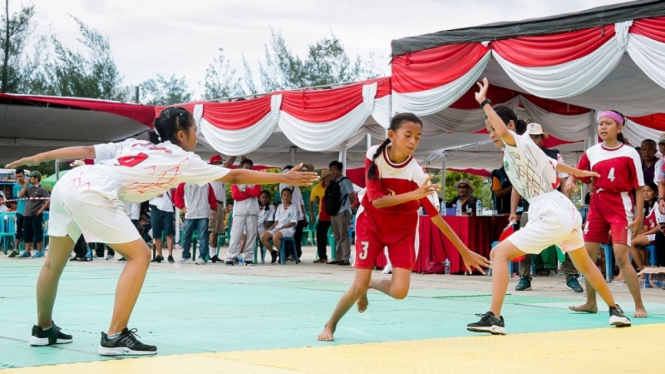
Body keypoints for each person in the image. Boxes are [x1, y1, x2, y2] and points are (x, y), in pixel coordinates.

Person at [6, 106, 318, 356]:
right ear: (181, 134)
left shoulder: (137, 143)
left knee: (52, 263)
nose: (197, 135)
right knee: (140, 256)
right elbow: (234, 175)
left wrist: (41, 158)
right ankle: (115, 336)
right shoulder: (183, 159)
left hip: (69, 184)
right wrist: (284, 178)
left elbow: (88, 149)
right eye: (195, 130)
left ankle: (43, 329)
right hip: (94, 189)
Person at [466, 78, 631, 335]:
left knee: (499, 254)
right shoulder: (526, 148)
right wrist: (582, 172)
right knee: (585, 265)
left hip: (549, 210)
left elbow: (507, 134)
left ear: (508, 125)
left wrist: (485, 103)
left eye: (492, 128)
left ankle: (494, 317)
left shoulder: (517, 142)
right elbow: (556, 165)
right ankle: (615, 310)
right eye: (487, 130)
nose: (491, 133)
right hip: (564, 210)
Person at [318, 113, 490, 341]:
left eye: (417, 137)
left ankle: (370, 283)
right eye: (407, 135)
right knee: (356, 286)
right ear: (391, 135)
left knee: (399, 292)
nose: (413, 142)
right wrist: (413, 194)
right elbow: (376, 199)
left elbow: (437, 218)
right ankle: (330, 325)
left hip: (404, 229)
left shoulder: (418, 174)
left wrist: (464, 251)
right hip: (372, 223)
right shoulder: (375, 156)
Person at [566, 109, 647, 319]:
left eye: (608, 123)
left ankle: (639, 305)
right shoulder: (592, 152)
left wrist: (639, 217)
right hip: (597, 205)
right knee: (587, 256)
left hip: (620, 205)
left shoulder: (630, 153)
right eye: (601, 123)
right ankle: (590, 302)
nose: (603, 127)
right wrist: (571, 181)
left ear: (619, 127)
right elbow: (578, 172)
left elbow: (639, 187)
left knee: (621, 256)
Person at [513, 122, 583, 293]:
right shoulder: (519, 156)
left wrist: (566, 203)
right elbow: (516, 186)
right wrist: (512, 211)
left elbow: (564, 180)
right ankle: (524, 277)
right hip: (531, 205)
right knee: (524, 241)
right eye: (531, 137)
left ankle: (571, 276)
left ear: (542, 139)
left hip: (554, 203)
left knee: (567, 240)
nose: (534, 140)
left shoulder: (554, 155)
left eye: (537, 136)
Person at [621, 181, 659, 280]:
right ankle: (643, 271)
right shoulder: (647, 208)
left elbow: (659, 227)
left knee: (631, 243)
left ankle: (643, 271)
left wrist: (643, 235)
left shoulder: (658, 205)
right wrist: (636, 234)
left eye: (649, 191)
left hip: (658, 234)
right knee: (631, 240)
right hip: (650, 234)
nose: (645, 193)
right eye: (643, 191)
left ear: (655, 192)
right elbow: (646, 228)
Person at [225, 158, 260, 266]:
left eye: (250, 168)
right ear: (242, 168)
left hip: (252, 212)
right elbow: (236, 195)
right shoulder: (236, 179)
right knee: (236, 235)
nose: (248, 169)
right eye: (246, 168)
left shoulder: (256, 179)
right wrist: (250, 193)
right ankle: (231, 257)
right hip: (239, 212)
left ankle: (248, 258)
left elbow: (257, 192)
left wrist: (244, 190)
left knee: (251, 235)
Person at [174, 181, 216, 265]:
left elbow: (211, 196)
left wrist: (214, 207)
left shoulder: (206, 183)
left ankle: (202, 257)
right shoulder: (184, 183)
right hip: (190, 214)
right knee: (186, 236)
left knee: (204, 236)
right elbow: (177, 196)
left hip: (203, 213)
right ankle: (186, 256)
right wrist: (182, 207)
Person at [208, 154, 236, 262]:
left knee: (217, 230)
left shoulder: (220, 175)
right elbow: (229, 163)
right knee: (213, 230)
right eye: (219, 162)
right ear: (215, 164)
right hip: (214, 204)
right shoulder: (214, 170)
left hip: (219, 204)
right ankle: (211, 254)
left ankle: (213, 254)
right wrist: (236, 151)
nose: (221, 164)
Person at [326, 161, 356, 265]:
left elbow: (352, 196)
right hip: (334, 212)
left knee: (344, 235)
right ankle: (338, 258)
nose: (332, 172)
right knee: (337, 236)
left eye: (334, 169)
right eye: (331, 170)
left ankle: (345, 258)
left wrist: (348, 206)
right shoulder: (333, 182)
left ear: (340, 170)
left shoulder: (345, 181)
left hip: (343, 211)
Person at [260, 188, 298, 263]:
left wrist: (282, 227)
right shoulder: (280, 207)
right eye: (284, 195)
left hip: (288, 228)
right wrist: (270, 228)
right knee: (262, 236)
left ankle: (282, 254)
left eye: (288, 195)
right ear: (282, 196)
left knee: (275, 236)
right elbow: (277, 221)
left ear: (291, 197)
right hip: (278, 227)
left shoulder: (293, 207)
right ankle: (273, 252)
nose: (286, 197)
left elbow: (293, 222)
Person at [18, 171, 50, 258]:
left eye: (31, 177)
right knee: (26, 233)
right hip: (26, 214)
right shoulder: (29, 188)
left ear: (36, 178)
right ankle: (27, 251)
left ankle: (39, 251)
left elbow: (48, 199)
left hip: (35, 214)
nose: (29, 179)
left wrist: (41, 210)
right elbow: (21, 195)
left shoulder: (41, 189)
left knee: (37, 232)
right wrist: (25, 185)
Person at [280, 165, 308, 260]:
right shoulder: (286, 185)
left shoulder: (295, 187)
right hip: (291, 215)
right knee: (294, 236)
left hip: (296, 215)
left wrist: (304, 215)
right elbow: (301, 202)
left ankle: (293, 254)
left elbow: (301, 202)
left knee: (296, 236)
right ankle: (292, 254)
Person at [309, 170, 333, 263]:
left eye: (330, 176)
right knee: (320, 236)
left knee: (339, 236)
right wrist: (312, 214)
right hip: (322, 216)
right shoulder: (317, 188)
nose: (330, 178)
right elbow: (311, 201)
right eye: (328, 176)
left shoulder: (334, 187)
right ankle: (323, 257)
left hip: (334, 215)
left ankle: (341, 256)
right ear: (324, 178)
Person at [148, 189, 175, 263]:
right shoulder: (149, 182)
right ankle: (159, 255)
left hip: (167, 209)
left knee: (169, 233)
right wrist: (154, 192)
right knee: (156, 234)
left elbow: (162, 193)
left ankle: (170, 255)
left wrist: (153, 192)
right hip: (154, 208)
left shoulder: (167, 179)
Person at [9, 168, 28, 257]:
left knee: (28, 231)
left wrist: (26, 185)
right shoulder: (15, 187)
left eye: (20, 176)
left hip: (28, 212)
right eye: (17, 177)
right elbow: (19, 196)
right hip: (20, 211)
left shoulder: (29, 185)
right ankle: (15, 249)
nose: (19, 178)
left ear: (24, 175)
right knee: (18, 231)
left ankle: (27, 250)